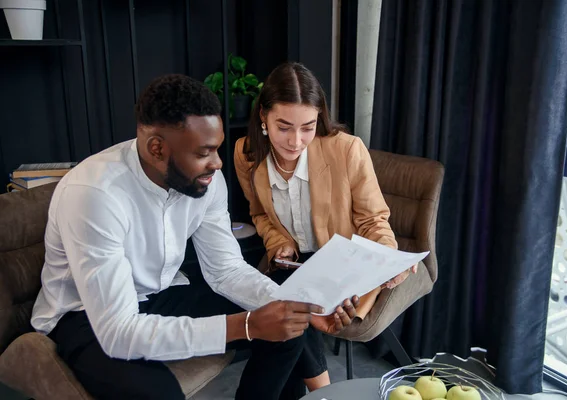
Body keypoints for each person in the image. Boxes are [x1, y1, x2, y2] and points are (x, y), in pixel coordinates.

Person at [30, 74, 360, 400]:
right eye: (204, 153)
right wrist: (247, 325)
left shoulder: (206, 180)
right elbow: (118, 332)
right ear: (157, 148)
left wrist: (300, 307)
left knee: (289, 328)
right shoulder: (94, 194)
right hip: (85, 316)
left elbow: (226, 270)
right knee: (159, 394)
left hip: (159, 292)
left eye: (216, 149)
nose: (217, 164)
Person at [234, 62, 418, 391]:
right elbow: (259, 214)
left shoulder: (346, 149)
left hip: (340, 266)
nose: (296, 140)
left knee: (285, 307)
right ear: (263, 116)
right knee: (285, 303)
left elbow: (373, 219)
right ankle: (322, 391)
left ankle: (321, 390)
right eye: (284, 127)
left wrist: (389, 257)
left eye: (307, 126)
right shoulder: (246, 155)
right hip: (291, 263)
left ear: (319, 116)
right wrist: (279, 244)